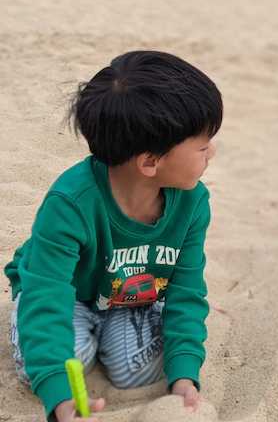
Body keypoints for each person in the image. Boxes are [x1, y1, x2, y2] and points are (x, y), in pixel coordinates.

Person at [5, 50, 223, 422]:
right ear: (150, 162)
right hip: (68, 296)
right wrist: (59, 397)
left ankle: (118, 332)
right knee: (56, 364)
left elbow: (186, 291)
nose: (212, 153)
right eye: (202, 146)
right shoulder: (70, 204)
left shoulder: (193, 203)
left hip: (128, 299)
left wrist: (185, 376)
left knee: (134, 370)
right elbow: (48, 295)